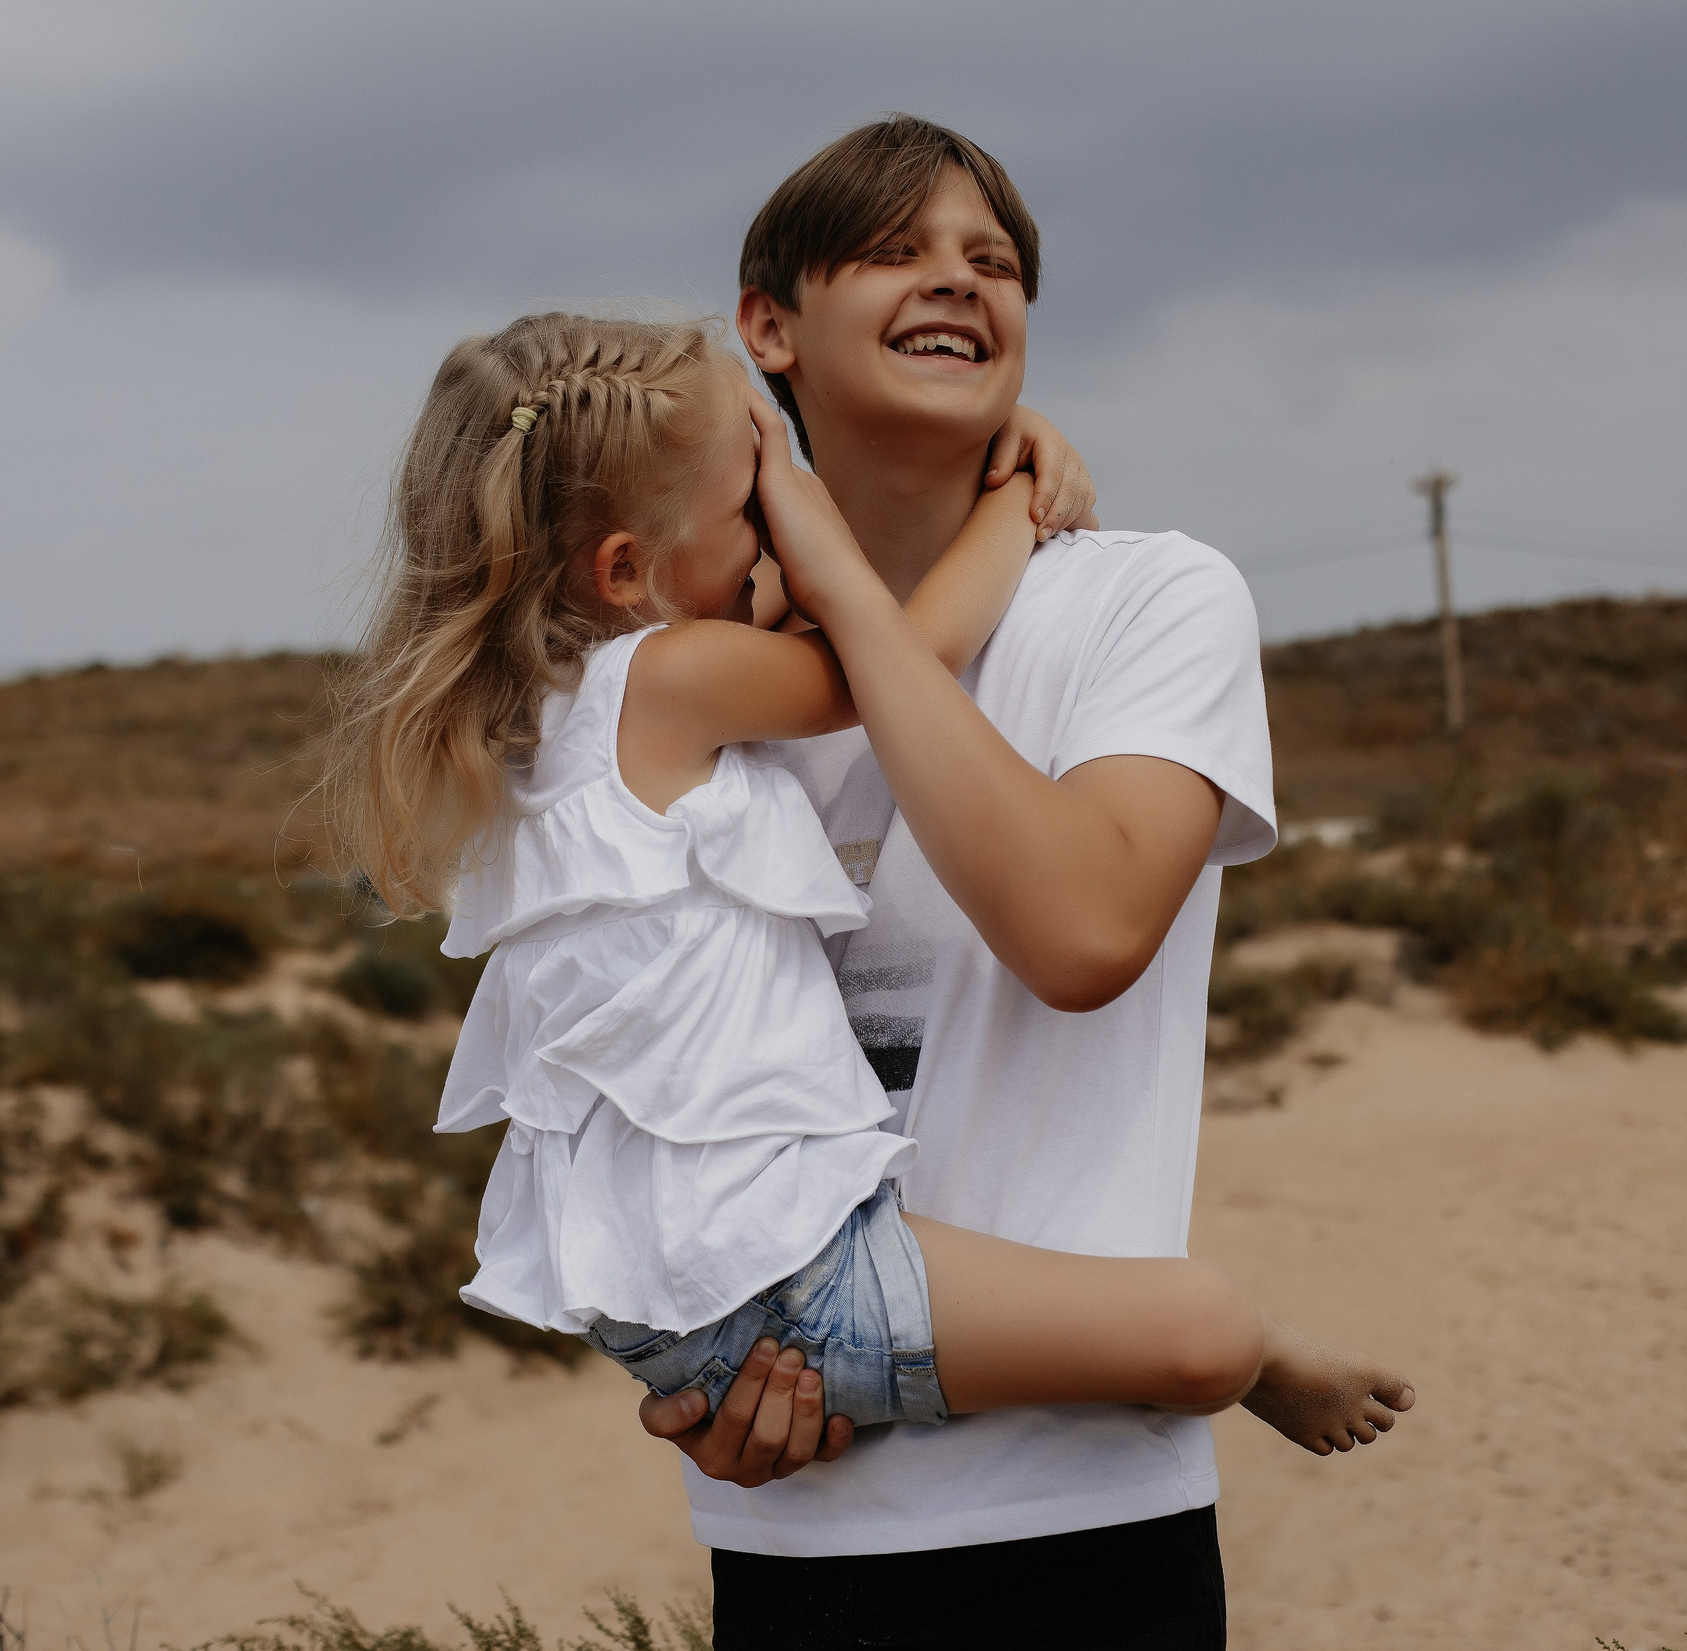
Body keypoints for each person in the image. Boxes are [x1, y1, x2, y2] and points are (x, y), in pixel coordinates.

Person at [326, 296, 1408, 1644]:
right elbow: (894, 667)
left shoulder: (556, 719)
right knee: (1201, 1330)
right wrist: (1015, 503)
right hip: (778, 1278)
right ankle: (1260, 1362)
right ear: (624, 572)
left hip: (702, 1291)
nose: (777, 535)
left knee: (1177, 1327)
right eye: (755, 504)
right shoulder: (662, 682)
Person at [599, 116, 1415, 1648]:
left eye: (994, 261)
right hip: (789, 1525)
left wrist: (846, 567)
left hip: (1085, 1520)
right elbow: (630, 1067)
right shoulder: (696, 677)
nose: (957, 281)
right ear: (765, 323)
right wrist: (693, 1371)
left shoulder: (1149, 600)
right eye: (896, 250)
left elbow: (1081, 931)